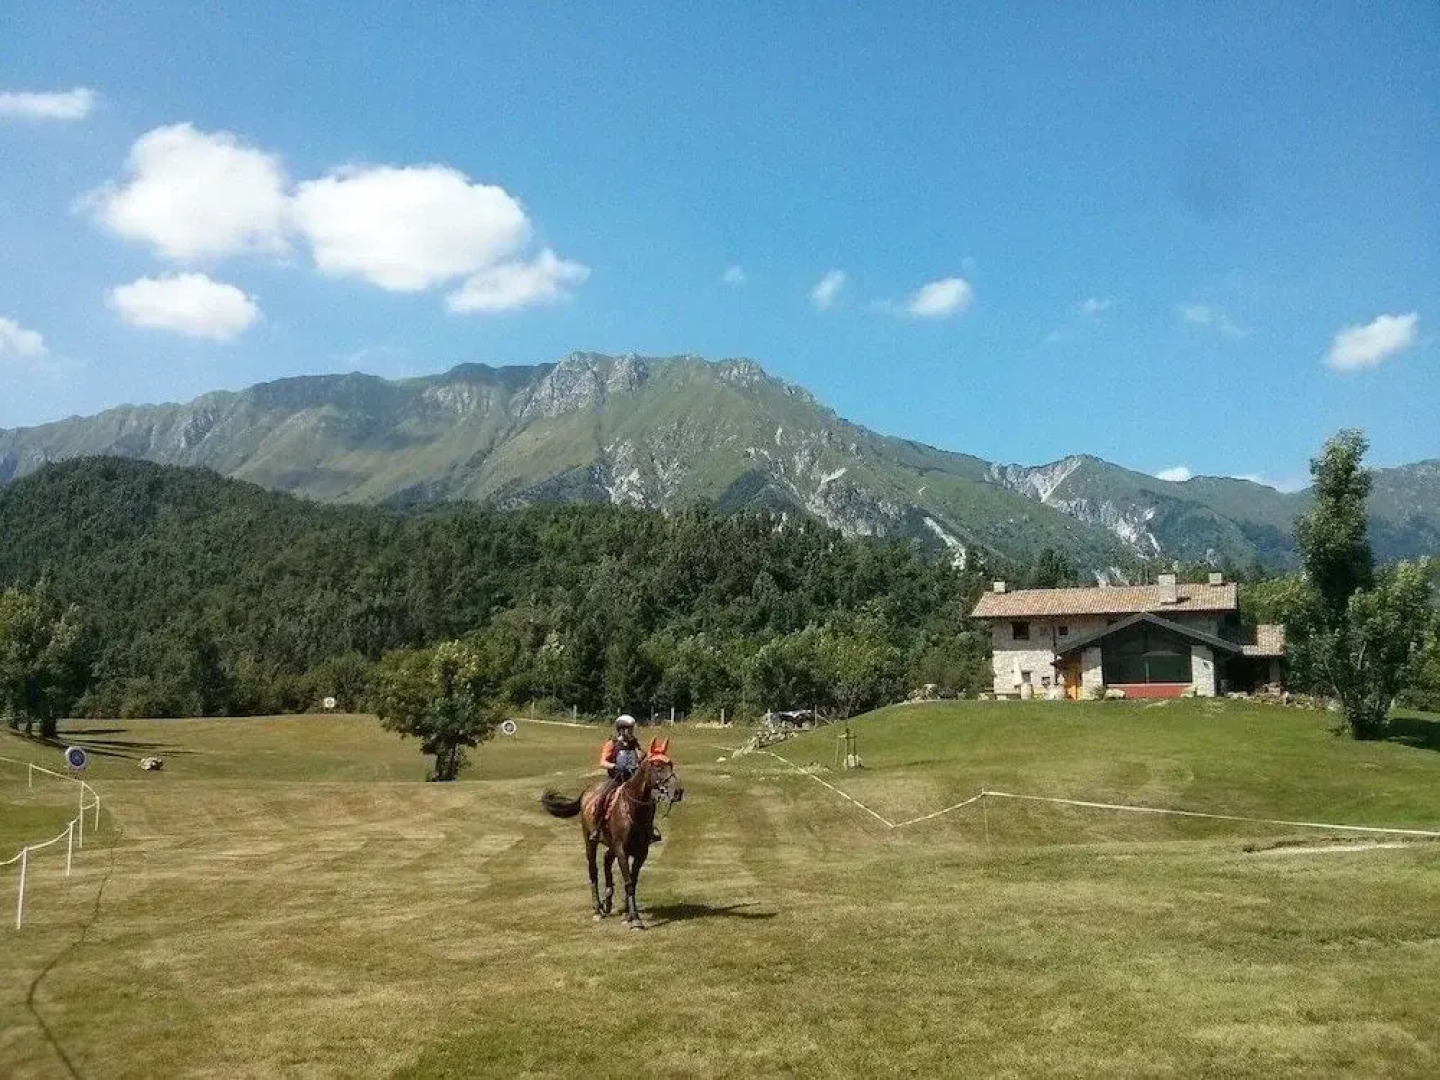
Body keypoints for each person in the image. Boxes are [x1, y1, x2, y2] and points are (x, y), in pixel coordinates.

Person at [589, 714, 661, 844]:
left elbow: (641, 755)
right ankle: (596, 827)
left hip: (631, 778)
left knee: (650, 799)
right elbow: (602, 762)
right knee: (602, 798)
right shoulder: (611, 743)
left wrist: (642, 756)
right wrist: (615, 765)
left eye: (632, 729)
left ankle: (649, 828)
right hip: (615, 778)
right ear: (621, 729)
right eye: (629, 729)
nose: (632, 731)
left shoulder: (634, 743)